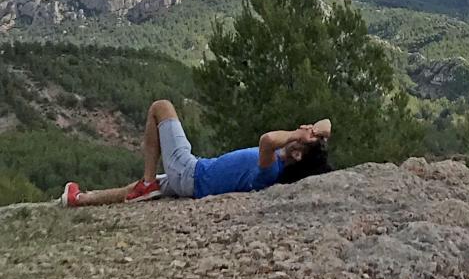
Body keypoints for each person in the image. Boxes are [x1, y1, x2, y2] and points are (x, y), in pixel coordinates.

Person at [61, 99, 332, 207]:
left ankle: (146, 184)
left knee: (161, 107)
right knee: (140, 188)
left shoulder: (271, 168)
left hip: (191, 173)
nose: (304, 128)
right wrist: (317, 133)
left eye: (304, 137)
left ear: (297, 155)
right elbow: (328, 124)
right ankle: (81, 199)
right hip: (190, 180)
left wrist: (298, 135)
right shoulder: (278, 166)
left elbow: (267, 139)